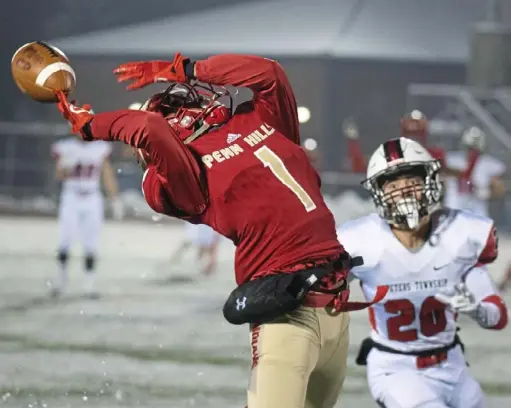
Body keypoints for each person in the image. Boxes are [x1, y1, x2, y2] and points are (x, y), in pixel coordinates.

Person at [53, 53, 385, 408]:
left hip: (336, 308)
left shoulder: (255, 120)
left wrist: (190, 68)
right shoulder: (178, 179)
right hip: (287, 316)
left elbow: (268, 72)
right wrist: (90, 125)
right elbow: (151, 131)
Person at [337, 137, 507, 408]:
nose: (404, 191)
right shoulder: (358, 240)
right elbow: (318, 289)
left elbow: (498, 318)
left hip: (453, 366)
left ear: (430, 183)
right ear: (378, 192)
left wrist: (476, 309)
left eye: (412, 182)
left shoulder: (461, 233)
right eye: (393, 185)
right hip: (395, 368)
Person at [50, 137, 123, 298]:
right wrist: (66, 165)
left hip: (92, 197)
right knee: (65, 239)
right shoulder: (66, 147)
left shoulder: (99, 148)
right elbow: (59, 175)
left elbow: (107, 174)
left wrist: (114, 198)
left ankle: (89, 283)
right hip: (72, 196)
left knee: (91, 241)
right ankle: (60, 279)